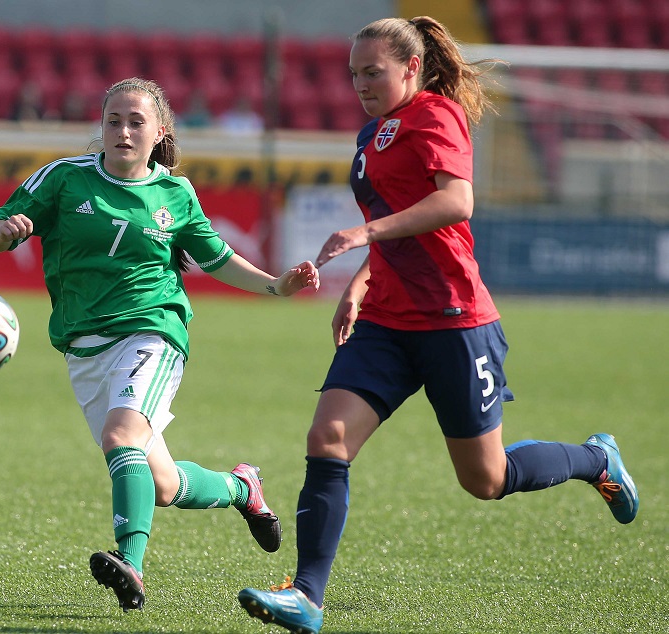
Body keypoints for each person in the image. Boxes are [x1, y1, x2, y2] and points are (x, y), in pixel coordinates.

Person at [238, 17, 639, 634]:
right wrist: (362, 285)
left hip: (455, 320)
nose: (361, 85)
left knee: (486, 478)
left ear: (411, 68)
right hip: (385, 324)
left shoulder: (436, 115)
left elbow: (455, 202)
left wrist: (365, 233)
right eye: (354, 74)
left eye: (373, 72)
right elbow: (398, 221)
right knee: (327, 440)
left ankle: (595, 460)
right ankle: (306, 596)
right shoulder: (372, 132)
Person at [0, 77, 320, 613]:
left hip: (153, 332)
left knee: (123, 439)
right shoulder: (64, 179)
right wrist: (8, 231)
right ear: (101, 127)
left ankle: (132, 566)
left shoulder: (175, 194)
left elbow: (217, 258)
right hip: (84, 348)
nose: (122, 130)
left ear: (158, 131)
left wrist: (276, 284)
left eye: (135, 122)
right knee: (161, 485)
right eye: (113, 120)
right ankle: (242, 488)